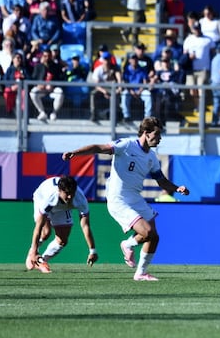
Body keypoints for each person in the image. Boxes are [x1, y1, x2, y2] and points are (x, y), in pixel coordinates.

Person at [62, 117, 190, 281]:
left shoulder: (151, 157)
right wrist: (75, 152)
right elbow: (99, 147)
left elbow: (161, 181)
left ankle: (140, 273)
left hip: (135, 199)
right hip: (118, 200)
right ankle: (128, 244)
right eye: (157, 134)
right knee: (147, 232)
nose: (160, 138)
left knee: (154, 237)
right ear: (146, 133)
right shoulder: (127, 145)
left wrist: (177, 188)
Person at [26, 175, 98, 274]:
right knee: (46, 232)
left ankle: (42, 261)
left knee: (62, 241)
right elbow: (38, 227)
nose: (70, 197)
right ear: (59, 191)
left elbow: (85, 226)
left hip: (63, 206)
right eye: (67, 193)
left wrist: (92, 251)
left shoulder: (80, 199)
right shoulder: (50, 198)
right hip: (41, 198)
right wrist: (34, 251)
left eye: (72, 193)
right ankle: (32, 254)